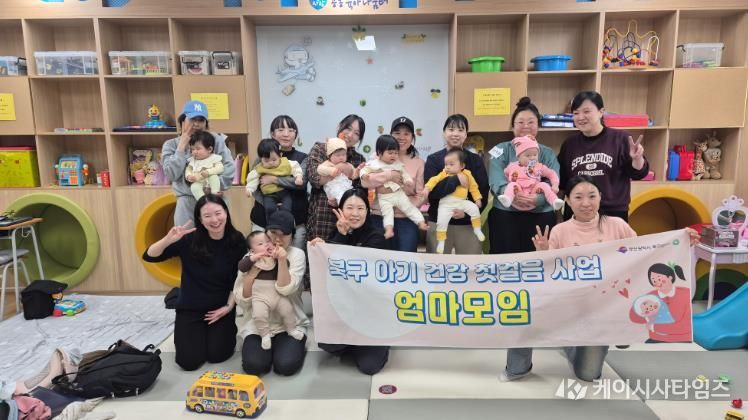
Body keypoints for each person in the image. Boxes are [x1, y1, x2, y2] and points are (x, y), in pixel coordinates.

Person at [143, 194, 245, 371]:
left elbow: (239, 278)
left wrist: (229, 307)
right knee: (188, 362)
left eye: (218, 213)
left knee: (218, 355)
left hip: (220, 308)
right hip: (191, 307)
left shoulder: (237, 240)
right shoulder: (189, 239)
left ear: (226, 213)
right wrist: (168, 240)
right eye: (207, 215)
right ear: (200, 219)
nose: (214, 220)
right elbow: (149, 256)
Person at [309, 188, 390, 375]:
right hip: (345, 310)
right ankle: (352, 342)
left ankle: (376, 342)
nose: (355, 213)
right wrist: (324, 246)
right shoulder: (336, 233)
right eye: (349, 208)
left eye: (360, 208)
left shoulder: (376, 237)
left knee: (369, 367)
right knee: (327, 344)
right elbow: (330, 272)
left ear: (368, 211)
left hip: (371, 312)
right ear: (341, 210)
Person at [235, 210, 309, 376]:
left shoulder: (296, 255)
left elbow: (286, 289)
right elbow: (242, 300)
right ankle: (266, 341)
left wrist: (281, 260)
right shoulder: (252, 256)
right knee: (254, 366)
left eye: (284, 234)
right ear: (266, 232)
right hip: (258, 324)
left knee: (286, 365)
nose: (277, 239)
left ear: (292, 236)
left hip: (289, 321)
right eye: (273, 232)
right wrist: (250, 277)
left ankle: (291, 342)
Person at [558, 91, 649, 222]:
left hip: (612, 213)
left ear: (601, 112)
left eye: (586, 111)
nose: (580, 117)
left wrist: (637, 159)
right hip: (577, 213)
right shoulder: (569, 144)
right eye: (576, 113)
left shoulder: (620, 139)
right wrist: (558, 212)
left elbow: (638, 173)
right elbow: (562, 182)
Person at [488, 96, 560, 254]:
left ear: (538, 125)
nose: (525, 126)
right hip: (506, 214)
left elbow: (553, 178)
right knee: (504, 258)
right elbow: (496, 177)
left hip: (541, 213)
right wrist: (512, 194)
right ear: (512, 126)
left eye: (531, 122)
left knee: (538, 259)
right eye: (520, 122)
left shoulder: (547, 152)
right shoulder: (501, 149)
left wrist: (538, 199)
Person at [162, 100, 235, 226]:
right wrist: (182, 145)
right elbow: (171, 174)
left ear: (206, 123)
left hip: (214, 199)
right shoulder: (171, 145)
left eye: (201, 120)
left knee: (219, 236)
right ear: (182, 121)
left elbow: (229, 168)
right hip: (187, 203)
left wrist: (212, 187)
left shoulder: (215, 140)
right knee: (186, 237)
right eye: (192, 119)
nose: (196, 124)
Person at [423, 114, 489, 254]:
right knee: (437, 265)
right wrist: (456, 179)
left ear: (466, 134)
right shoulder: (433, 159)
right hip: (439, 221)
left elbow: (482, 190)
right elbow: (432, 193)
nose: (455, 134)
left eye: (460, 130)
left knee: (470, 265)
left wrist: (465, 214)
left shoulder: (475, 160)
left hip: (467, 224)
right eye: (451, 129)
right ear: (444, 132)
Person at [364, 116, 426, 252]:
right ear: (390, 135)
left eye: (406, 134)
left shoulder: (419, 163)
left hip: (406, 219)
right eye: (397, 133)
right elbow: (365, 182)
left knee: (406, 258)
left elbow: (420, 194)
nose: (401, 137)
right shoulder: (376, 157)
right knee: (378, 257)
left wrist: (403, 206)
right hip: (379, 216)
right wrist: (389, 175)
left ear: (412, 137)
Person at [236, 231, 305, 350]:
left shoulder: (276, 257)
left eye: (268, 241)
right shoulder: (250, 259)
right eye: (260, 244)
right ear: (252, 250)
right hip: (259, 297)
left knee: (288, 310)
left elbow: (286, 265)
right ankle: (265, 335)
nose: (266, 245)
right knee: (259, 315)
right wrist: (253, 258)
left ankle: (292, 329)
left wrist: (279, 258)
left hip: (277, 295)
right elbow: (242, 267)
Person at [249, 115, 309, 250]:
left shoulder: (303, 158)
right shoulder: (262, 157)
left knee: (294, 259)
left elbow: (301, 183)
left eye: (291, 130)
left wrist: (274, 179)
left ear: (295, 134)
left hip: (295, 221)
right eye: (281, 130)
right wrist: (270, 204)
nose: (286, 134)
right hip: (263, 220)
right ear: (272, 134)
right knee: (263, 257)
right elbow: (254, 186)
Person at [307, 115, 367, 242]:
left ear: (359, 139)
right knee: (318, 250)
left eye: (356, 133)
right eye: (348, 129)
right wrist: (342, 168)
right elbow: (314, 178)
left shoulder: (359, 159)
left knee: (344, 253)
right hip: (321, 216)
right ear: (340, 127)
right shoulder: (320, 149)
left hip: (348, 220)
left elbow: (360, 192)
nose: (350, 135)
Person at [629, 263, 692, 343]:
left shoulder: (686, 293)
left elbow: (685, 325)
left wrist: (654, 325)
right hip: (657, 338)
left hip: (684, 339)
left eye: (659, 279)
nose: (657, 282)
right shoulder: (650, 296)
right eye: (653, 280)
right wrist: (647, 315)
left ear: (670, 277)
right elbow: (634, 317)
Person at [497, 135, 564, 211]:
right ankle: (507, 199)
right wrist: (509, 181)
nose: (532, 158)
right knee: (511, 185)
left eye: (535, 155)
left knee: (544, 185)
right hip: (517, 193)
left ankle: (554, 201)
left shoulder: (539, 166)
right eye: (528, 155)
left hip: (534, 192)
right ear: (518, 157)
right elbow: (505, 174)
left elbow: (551, 174)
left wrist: (555, 185)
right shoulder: (512, 166)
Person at [245, 138, 303, 221]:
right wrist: (249, 189)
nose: (271, 163)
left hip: (284, 192)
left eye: (274, 159)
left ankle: (286, 224)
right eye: (266, 161)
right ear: (261, 159)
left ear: (280, 155)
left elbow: (296, 168)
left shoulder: (286, 163)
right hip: (269, 195)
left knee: (286, 208)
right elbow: (253, 180)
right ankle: (272, 224)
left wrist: (298, 177)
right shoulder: (259, 168)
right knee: (269, 208)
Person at [317, 137, 358, 206]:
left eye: (343, 155)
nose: (341, 157)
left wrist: (357, 171)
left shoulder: (347, 164)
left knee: (351, 195)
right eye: (338, 155)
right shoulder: (328, 163)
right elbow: (319, 169)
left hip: (345, 186)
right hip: (332, 187)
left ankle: (347, 205)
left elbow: (353, 175)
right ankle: (342, 204)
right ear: (330, 156)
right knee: (339, 196)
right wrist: (331, 171)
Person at [185, 131, 224, 201]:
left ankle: (215, 194)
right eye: (192, 149)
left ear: (209, 149)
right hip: (199, 181)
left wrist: (208, 172)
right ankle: (202, 200)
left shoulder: (213, 158)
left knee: (214, 177)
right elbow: (188, 169)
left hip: (210, 180)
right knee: (194, 187)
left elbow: (220, 168)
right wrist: (188, 176)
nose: (194, 152)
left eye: (198, 149)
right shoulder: (193, 160)